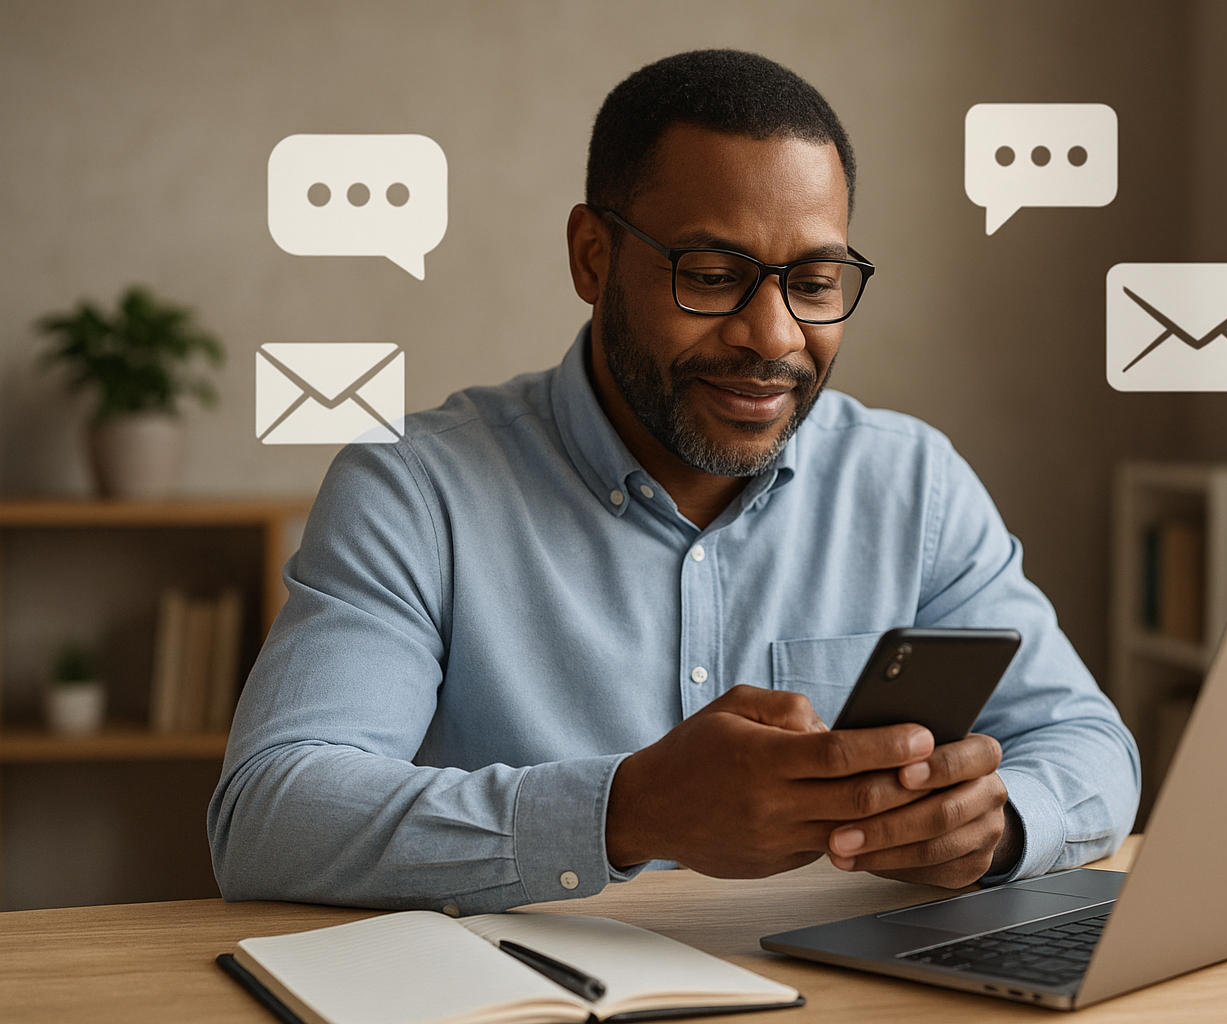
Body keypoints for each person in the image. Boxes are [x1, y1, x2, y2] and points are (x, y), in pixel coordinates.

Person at [209, 49, 1139, 913]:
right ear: (592, 256)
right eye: (712, 273)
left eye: (812, 283)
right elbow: (268, 812)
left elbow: (1091, 744)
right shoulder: (416, 492)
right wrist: (627, 811)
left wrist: (999, 822)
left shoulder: (913, 485)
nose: (773, 338)